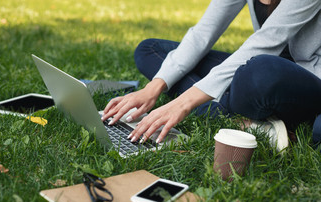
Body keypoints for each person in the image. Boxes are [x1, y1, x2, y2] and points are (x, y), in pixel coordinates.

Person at [101, 0, 321, 152]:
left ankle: (227, 105)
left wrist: (182, 103)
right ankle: (251, 124)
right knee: (151, 50)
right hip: (257, 71)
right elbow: (203, 33)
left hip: (302, 78)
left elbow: (266, 43)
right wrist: (153, 87)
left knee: (257, 70)